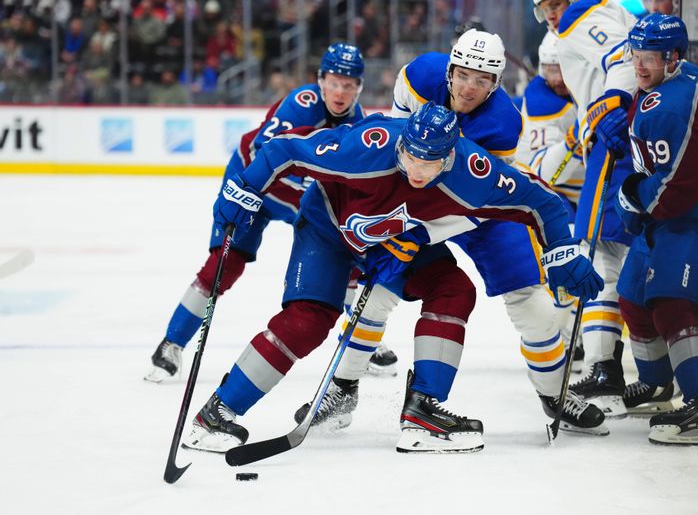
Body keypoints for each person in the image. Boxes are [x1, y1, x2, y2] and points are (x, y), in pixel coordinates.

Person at [184, 103, 605, 453]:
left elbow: (542, 202)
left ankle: (423, 409)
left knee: (453, 289)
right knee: (308, 320)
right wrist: (240, 192)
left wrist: (562, 253)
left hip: (393, 239)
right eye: (410, 157)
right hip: (329, 227)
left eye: (430, 161)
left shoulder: (472, 173)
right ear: (400, 144)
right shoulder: (367, 145)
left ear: (451, 156)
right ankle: (218, 412)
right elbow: (282, 152)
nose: (418, 170)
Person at [300, 28, 609, 436]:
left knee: (530, 302)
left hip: (480, 210)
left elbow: (479, 202)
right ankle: (342, 387)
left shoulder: (502, 123)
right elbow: (396, 151)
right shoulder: (418, 76)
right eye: (464, 75)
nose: (469, 87)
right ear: (449, 71)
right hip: (414, 190)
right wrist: (397, 222)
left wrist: (421, 234)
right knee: (379, 289)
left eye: (483, 80)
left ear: (496, 84)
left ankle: (555, 393)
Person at [144, 43, 369, 382]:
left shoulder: (357, 122)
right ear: (321, 81)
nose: (340, 92)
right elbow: (262, 153)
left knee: (346, 258)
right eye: (335, 82)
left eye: (349, 85)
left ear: (359, 88)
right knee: (224, 265)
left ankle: (360, 336)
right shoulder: (302, 103)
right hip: (254, 188)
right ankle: (171, 342)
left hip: (300, 199)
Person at [615, 14, 698, 445]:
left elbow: (678, 184)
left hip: (689, 220)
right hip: (663, 219)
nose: (640, 64)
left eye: (650, 57)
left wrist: (630, 200)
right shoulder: (671, 86)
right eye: (636, 54)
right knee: (631, 298)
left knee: (672, 307)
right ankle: (657, 383)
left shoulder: (672, 102)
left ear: (674, 57)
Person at [531, 0, 638, 417]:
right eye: (544, 10)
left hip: (612, 149)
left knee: (601, 257)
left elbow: (622, 62)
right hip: (615, 140)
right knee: (613, 258)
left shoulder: (583, 20)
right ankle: (617, 366)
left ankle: (603, 369)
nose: (552, 16)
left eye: (556, 4)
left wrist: (612, 106)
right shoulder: (611, 11)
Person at [515, 31, 585, 372]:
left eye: (561, 68)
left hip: (582, 189)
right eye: (548, 69)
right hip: (548, 192)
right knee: (564, 260)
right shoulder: (543, 101)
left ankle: (576, 332)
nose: (555, 78)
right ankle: (564, 335)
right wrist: (575, 142)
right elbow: (547, 172)